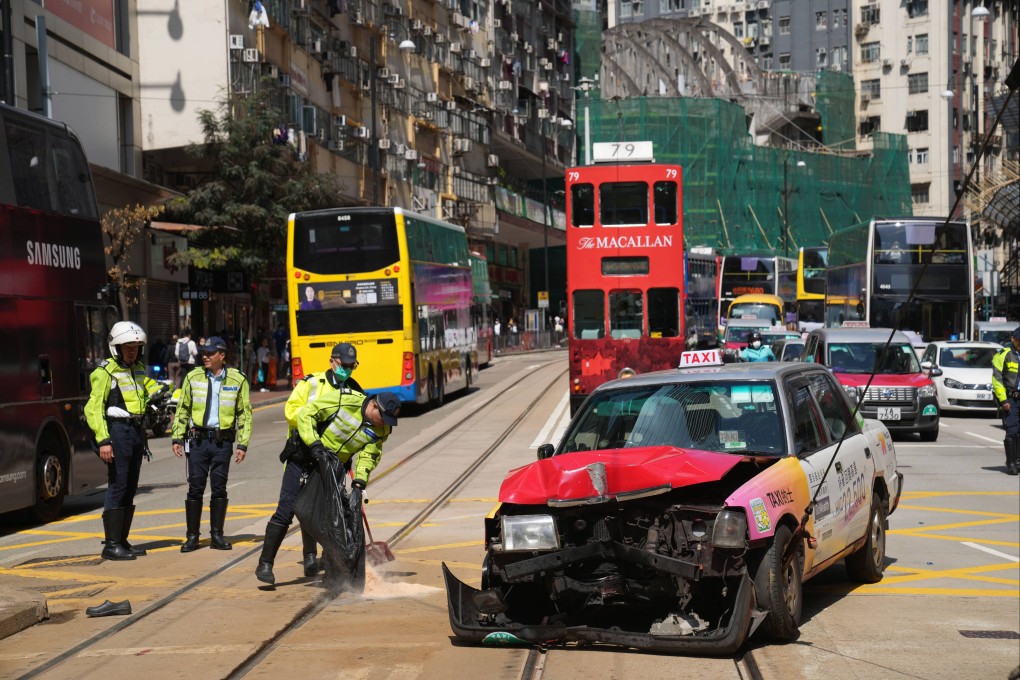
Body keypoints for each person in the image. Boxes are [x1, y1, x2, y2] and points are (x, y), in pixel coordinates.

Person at [255, 342, 364, 585]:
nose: (347, 370)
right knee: (287, 509)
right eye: (343, 365)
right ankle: (265, 563)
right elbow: (291, 411)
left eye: (351, 366)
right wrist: (315, 425)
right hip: (302, 456)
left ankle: (322, 561)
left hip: (329, 463)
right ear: (332, 361)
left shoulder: (355, 391)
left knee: (324, 513)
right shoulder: (311, 383)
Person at [84, 321, 166, 560]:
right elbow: (93, 408)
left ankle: (122, 540)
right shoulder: (105, 372)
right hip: (117, 432)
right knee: (118, 484)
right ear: (116, 347)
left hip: (136, 431)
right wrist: (104, 440)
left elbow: (143, 391)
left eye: (136, 347)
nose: (132, 351)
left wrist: (162, 392)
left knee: (130, 486)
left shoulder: (138, 368)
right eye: (127, 346)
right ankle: (111, 545)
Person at [172, 336, 253, 551]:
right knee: (195, 488)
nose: (205, 356)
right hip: (198, 441)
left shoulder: (237, 380)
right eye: (203, 353)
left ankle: (217, 535)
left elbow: (244, 413)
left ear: (222, 356)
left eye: (210, 353)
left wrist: (242, 444)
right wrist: (177, 437)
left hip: (222, 443)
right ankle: (192, 537)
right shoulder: (192, 377)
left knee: (219, 489)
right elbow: (183, 409)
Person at [991, 327, 1020, 475]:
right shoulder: (1003, 354)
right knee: (1012, 430)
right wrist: (1003, 400)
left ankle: (1018, 461)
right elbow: (997, 380)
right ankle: (1011, 462)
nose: (1019, 343)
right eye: (1017, 340)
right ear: (1012, 339)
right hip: (1011, 399)